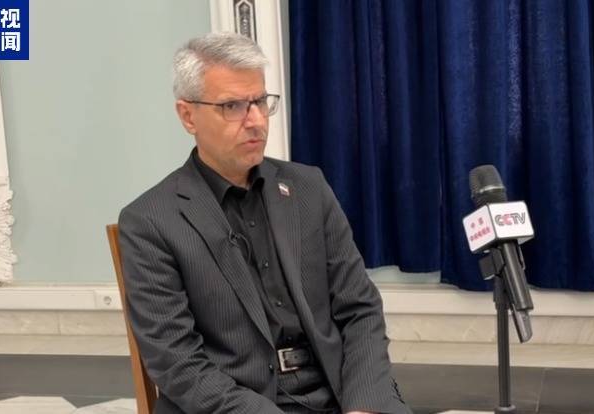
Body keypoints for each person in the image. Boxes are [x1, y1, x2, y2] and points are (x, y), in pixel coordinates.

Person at [118, 32, 411, 414]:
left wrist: (363, 405)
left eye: (259, 101)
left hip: (339, 395)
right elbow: (178, 363)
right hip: (235, 405)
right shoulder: (151, 221)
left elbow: (360, 309)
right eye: (233, 106)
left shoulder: (308, 188)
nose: (256, 121)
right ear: (188, 115)